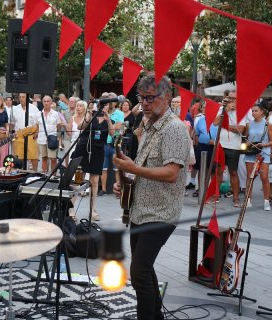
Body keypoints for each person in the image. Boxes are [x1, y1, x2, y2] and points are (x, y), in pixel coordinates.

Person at [113, 73, 190, 320]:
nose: (144, 103)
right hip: (140, 209)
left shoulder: (175, 129)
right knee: (143, 269)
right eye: (141, 98)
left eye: (150, 98)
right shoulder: (146, 125)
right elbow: (144, 166)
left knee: (139, 273)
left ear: (166, 97)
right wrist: (127, 181)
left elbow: (170, 173)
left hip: (161, 212)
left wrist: (134, 170)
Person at [71, 100, 115, 221]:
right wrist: (89, 116)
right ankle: (71, 209)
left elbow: (112, 133)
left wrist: (108, 120)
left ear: (109, 107)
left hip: (98, 151)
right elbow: (80, 127)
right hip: (83, 148)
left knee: (94, 181)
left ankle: (92, 210)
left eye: (106, 105)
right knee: (78, 179)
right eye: (102, 104)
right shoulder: (91, 115)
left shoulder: (108, 120)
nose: (104, 107)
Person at [215, 91, 246, 207]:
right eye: (230, 98)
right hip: (221, 145)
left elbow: (240, 130)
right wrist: (226, 110)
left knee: (233, 172)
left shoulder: (242, 112)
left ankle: (236, 198)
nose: (232, 100)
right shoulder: (222, 109)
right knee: (218, 171)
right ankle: (216, 194)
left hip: (234, 146)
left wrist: (224, 125)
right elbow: (215, 122)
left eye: (234, 98)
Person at [243, 104, 272, 211]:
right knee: (249, 177)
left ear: (262, 112)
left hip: (263, 153)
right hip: (251, 153)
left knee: (264, 177)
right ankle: (248, 199)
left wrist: (263, 145)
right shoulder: (249, 124)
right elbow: (246, 138)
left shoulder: (267, 125)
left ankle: (266, 201)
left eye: (256, 111)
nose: (253, 113)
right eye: (252, 111)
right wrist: (248, 143)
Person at [99, 92, 124, 195]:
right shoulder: (102, 112)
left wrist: (109, 125)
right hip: (104, 143)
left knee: (116, 168)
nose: (110, 103)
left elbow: (119, 126)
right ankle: (103, 189)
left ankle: (117, 189)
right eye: (109, 100)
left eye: (113, 100)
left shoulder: (120, 113)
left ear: (116, 102)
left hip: (115, 144)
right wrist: (112, 125)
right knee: (103, 168)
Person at [35, 95, 64, 174]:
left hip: (52, 139)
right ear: (42, 102)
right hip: (41, 139)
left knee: (53, 159)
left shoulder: (55, 114)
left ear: (51, 102)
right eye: (44, 101)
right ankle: (44, 175)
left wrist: (56, 137)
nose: (46, 103)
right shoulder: (38, 114)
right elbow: (37, 127)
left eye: (48, 101)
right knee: (44, 158)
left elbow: (59, 126)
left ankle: (53, 176)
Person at [11, 93, 40, 171]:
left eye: (23, 97)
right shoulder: (14, 109)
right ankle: (20, 175)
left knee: (33, 157)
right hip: (18, 136)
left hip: (31, 136)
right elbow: (12, 124)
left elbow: (38, 123)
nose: (21, 99)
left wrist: (37, 133)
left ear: (27, 98)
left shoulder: (34, 108)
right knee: (19, 158)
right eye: (20, 97)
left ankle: (34, 174)